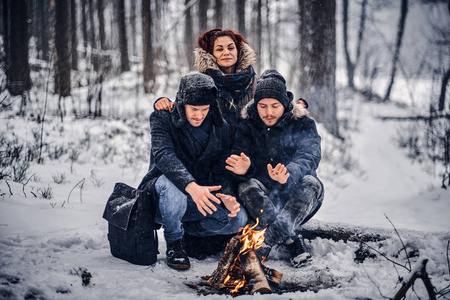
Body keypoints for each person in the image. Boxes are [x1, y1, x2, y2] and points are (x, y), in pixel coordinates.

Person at [138, 73, 247, 270]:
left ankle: (188, 233)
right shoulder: (162, 118)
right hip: (160, 196)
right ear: (182, 103)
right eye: (194, 109)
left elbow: (221, 169)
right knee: (173, 188)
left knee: (237, 218)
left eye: (204, 109)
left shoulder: (219, 126)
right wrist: (191, 186)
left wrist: (227, 196)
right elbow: (164, 156)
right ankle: (174, 243)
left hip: (198, 198)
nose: (199, 115)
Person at [225, 69, 324, 268]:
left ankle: (266, 241)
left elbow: (309, 156)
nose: (268, 112)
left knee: (312, 183)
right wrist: (245, 168)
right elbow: (239, 156)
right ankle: (292, 240)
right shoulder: (246, 124)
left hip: (296, 195)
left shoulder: (303, 123)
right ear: (256, 104)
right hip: (262, 198)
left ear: (285, 105)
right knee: (245, 185)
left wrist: (288, 174)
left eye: (274, 106)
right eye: (262, 106)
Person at [154, 28, 257, 138]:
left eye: (231, 48)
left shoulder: (253, 81)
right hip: (212, 148)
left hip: (245, 147)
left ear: (239, 51)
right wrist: (163, 103)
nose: (226, 52)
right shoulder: (201, 81)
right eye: (219, 49)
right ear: (211, 54)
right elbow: (183, 107)